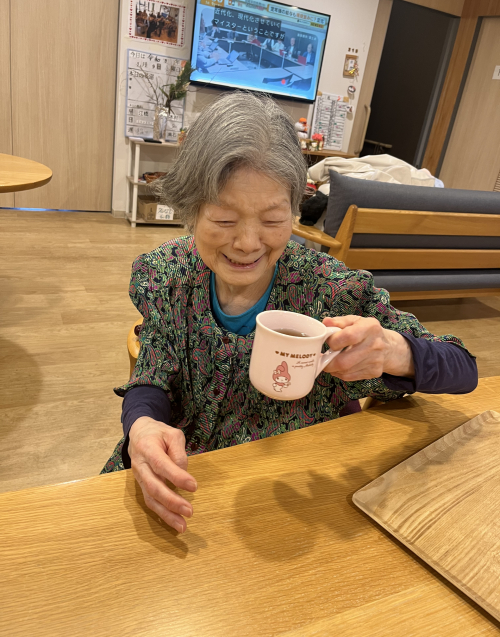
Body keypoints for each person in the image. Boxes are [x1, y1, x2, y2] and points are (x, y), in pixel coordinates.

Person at [101, 91, 477, 534]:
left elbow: (464, 369)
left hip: (300, 493)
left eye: (273, 220)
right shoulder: (167, 275)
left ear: (296, 212)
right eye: (224, 219)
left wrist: (396, 352)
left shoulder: (329, 288)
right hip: (195, 479)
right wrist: (143, 424)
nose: (247, 243)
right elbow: (154, 372)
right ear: (190, 210)